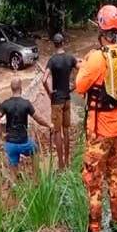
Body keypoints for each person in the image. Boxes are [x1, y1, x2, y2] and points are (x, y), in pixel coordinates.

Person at [76, 5, 117, 232]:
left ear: (101, 29)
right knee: (116, 177)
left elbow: (79, 87)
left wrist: (86, 63)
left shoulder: (96, 58)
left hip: (99, 133)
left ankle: (94, 231)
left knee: (94, 181)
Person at [0, 78, 53, 180]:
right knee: (35, 150)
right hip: (24, 142)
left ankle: (16, 185)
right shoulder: (26, 103)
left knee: (13, 166)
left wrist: (1, 135)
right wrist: (49, 125)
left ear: (11, 89)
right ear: (21, 88)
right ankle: (36, 178)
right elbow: (38, 118)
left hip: (10, 143)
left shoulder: (5, 104)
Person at [42, 33, 79, 170]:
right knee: (66, 130)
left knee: (57, 132)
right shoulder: (70, 58)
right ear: (63, 43)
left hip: (56, 100)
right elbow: (82, 69)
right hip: (67, 99)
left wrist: (50, 93)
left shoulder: (52, 61)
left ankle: (61, 164)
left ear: (54, 44)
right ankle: (68, 162)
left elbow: (44, 80)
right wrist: (74, 86)